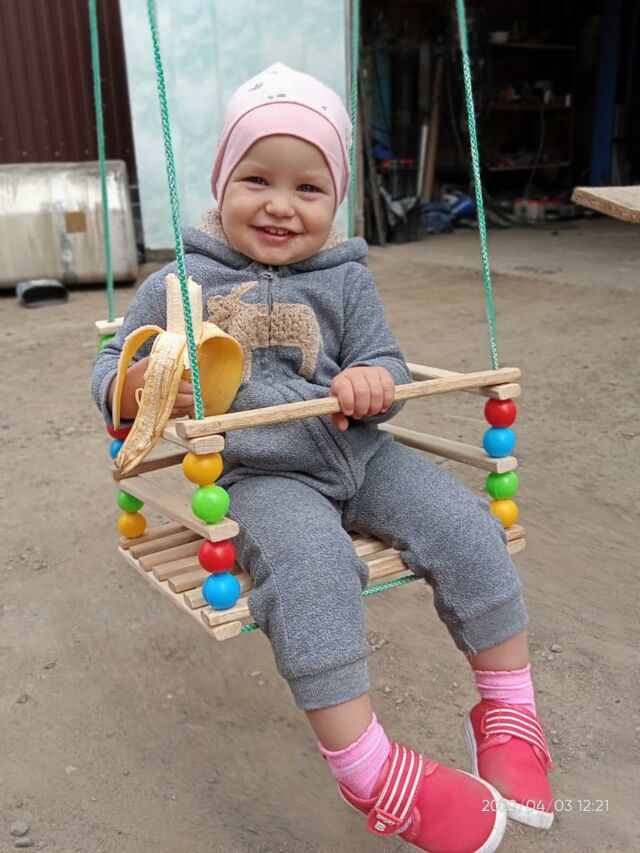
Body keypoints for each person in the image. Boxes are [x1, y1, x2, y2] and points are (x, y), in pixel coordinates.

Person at [92, 63, 554, 852]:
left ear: (335, 200)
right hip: (260, 475)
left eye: (308, 188)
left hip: (360, 452)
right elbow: (110, 369)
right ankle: (367, 769)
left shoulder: (345, 279)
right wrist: (140, 385)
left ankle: (509, 710)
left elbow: (385, 360)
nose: (281, 204)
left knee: (465, 524)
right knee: (313, 570)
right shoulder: (180, 282)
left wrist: (374, 381)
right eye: (257, 180)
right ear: (221, 183)